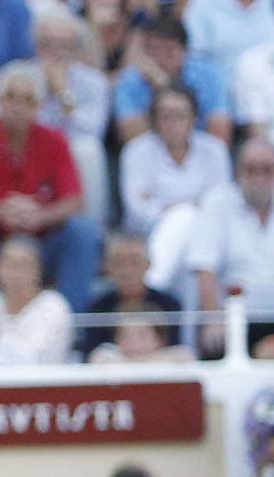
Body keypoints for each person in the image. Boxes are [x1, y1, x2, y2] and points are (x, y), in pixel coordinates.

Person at [0, 61, 99, 310]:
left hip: (43, 241)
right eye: (11, 97)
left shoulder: (55, 140)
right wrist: (0, 212)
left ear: (38, 106)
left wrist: (40, 216)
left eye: (27, 100)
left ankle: (72, 322)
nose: (18, 106)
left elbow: (74, 201)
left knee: (83, 229)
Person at [119, 84, 232, 294]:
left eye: (180, 115)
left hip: (205, 234)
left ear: (193, 118)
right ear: (155, 119)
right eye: (166, 116)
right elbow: (137, 211)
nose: (173, 123)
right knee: (186, 223)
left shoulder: (214, 150)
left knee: (189, 225)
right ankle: (156, 287)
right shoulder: (136, 151)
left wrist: (167, 206)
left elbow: (220, 204)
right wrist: (189, 207)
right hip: (148, 236)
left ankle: (153, 285)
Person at [188, 135, 274, 359]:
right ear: (237, 172)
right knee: (213, 342)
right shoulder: (218, 201)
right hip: (234, 319)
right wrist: (214, 319)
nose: (259, 177)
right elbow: (204, 266)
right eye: (251, 169)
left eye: (267, 169)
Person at [29, 8, 111, 225]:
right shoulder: (20, 76)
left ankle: (91, 228)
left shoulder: (95, 82)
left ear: (77, 49)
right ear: (37, 47)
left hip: (69, 152)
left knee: (88, 149)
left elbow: (93, 131)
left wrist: (64, 95)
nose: (58, 52)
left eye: (66, 45)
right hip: (27, 151)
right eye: (49, 44)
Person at [113, 14, 232, 146]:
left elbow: (220, 135)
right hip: (150, 153)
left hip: (201, 152)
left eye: (169, 51)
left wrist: (167, 87)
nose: (160, 60)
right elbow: (132, 137)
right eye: (152, 52)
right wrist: (160, 89)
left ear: (185, 51)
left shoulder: (210, 74)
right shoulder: (128, 80)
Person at [78, 232, 183, 357]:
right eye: (119, 262)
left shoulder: (169, 305)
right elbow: (91, 356)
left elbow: (177, 352)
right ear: (107, 266)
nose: (127, 270)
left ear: (148, 264)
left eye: (134, 262)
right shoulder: (97, 308)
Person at [0, 231, 74, 361]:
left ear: (38, 271)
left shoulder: (54, 306)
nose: (14, 273)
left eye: (23, 266)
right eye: (8, 264)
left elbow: (39, 359)